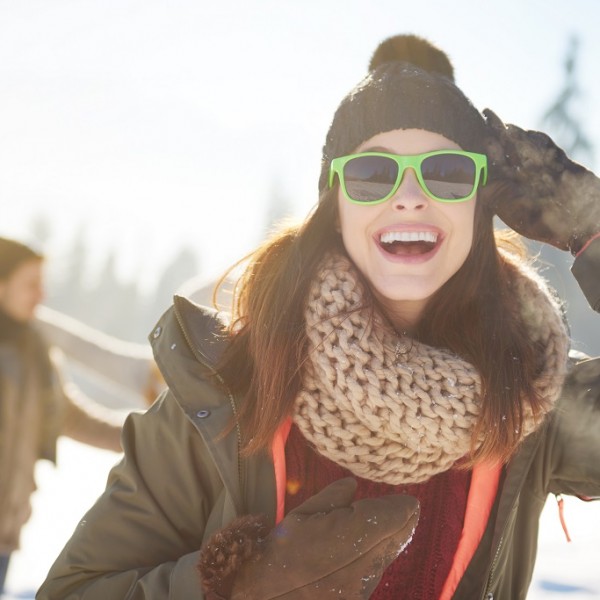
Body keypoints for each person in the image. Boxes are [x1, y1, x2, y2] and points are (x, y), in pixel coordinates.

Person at [37, 34, 600, 600]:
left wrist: (594, 228)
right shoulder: (225, 387)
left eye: (447, 171)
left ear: (481, 205)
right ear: (335, 205)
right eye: (373, 174)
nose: (409, 196)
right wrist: (230, 589)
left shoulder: (533, 395)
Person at [0, 237, 125, 596]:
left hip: (5, 536)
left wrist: (150, 436)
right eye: (31, 284)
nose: (42, 294)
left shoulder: (35, 351)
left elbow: (71, 417)